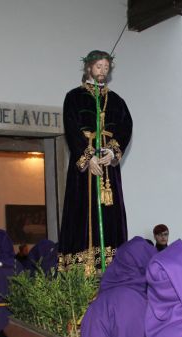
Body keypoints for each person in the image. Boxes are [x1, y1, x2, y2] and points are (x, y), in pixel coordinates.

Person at [58, 50, 133, 271]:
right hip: (85, 170)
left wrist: (113, 152)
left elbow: (126, 127)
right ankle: (82, 267)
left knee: (110, 213)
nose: (102, 71)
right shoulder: (73, 97)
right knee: (82, 210)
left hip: (108, 168)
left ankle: (111, 266)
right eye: (98, 67)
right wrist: (87, 156)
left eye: (106, 68)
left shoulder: (117, 101)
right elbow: (71, 129)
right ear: (89, 68)